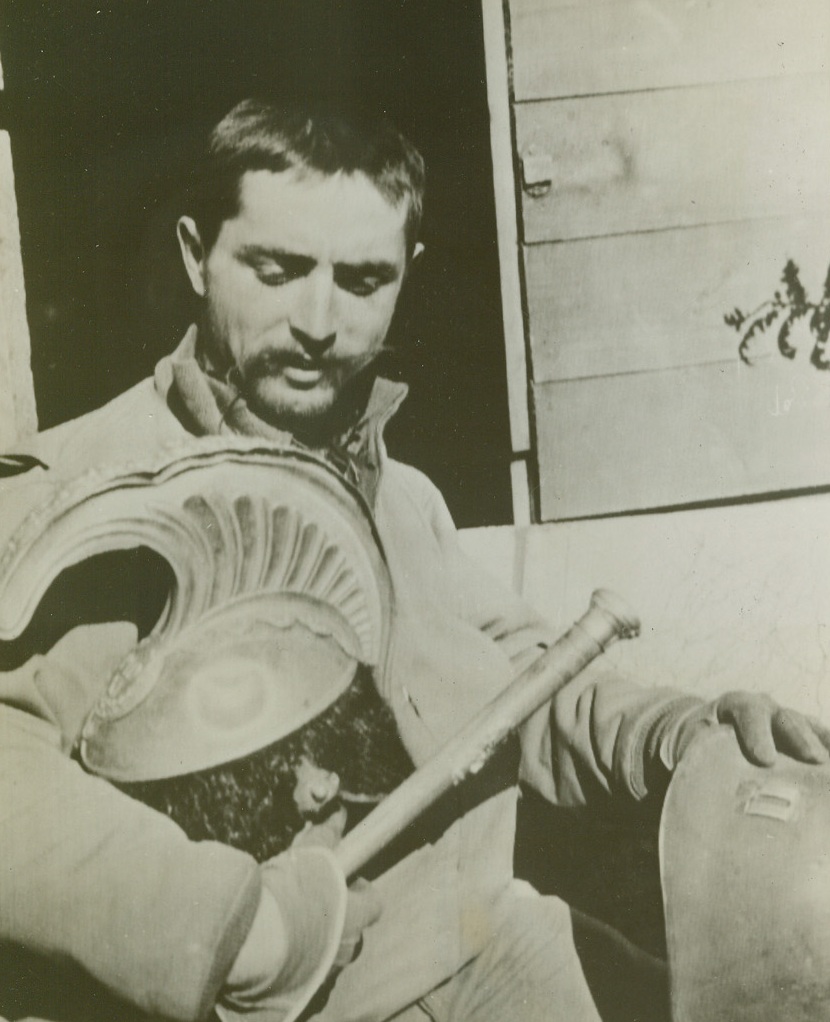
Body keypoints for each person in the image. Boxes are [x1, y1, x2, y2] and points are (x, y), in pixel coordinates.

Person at [1, 98, 828, 1022]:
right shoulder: (91, 497)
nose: (318, 321)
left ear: (407, 275)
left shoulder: (400, 497)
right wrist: (236, 927)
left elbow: (523, 683)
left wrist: (676, 732)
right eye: (276, 271)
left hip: (478, 944)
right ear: (197, 256)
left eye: (361, 281)